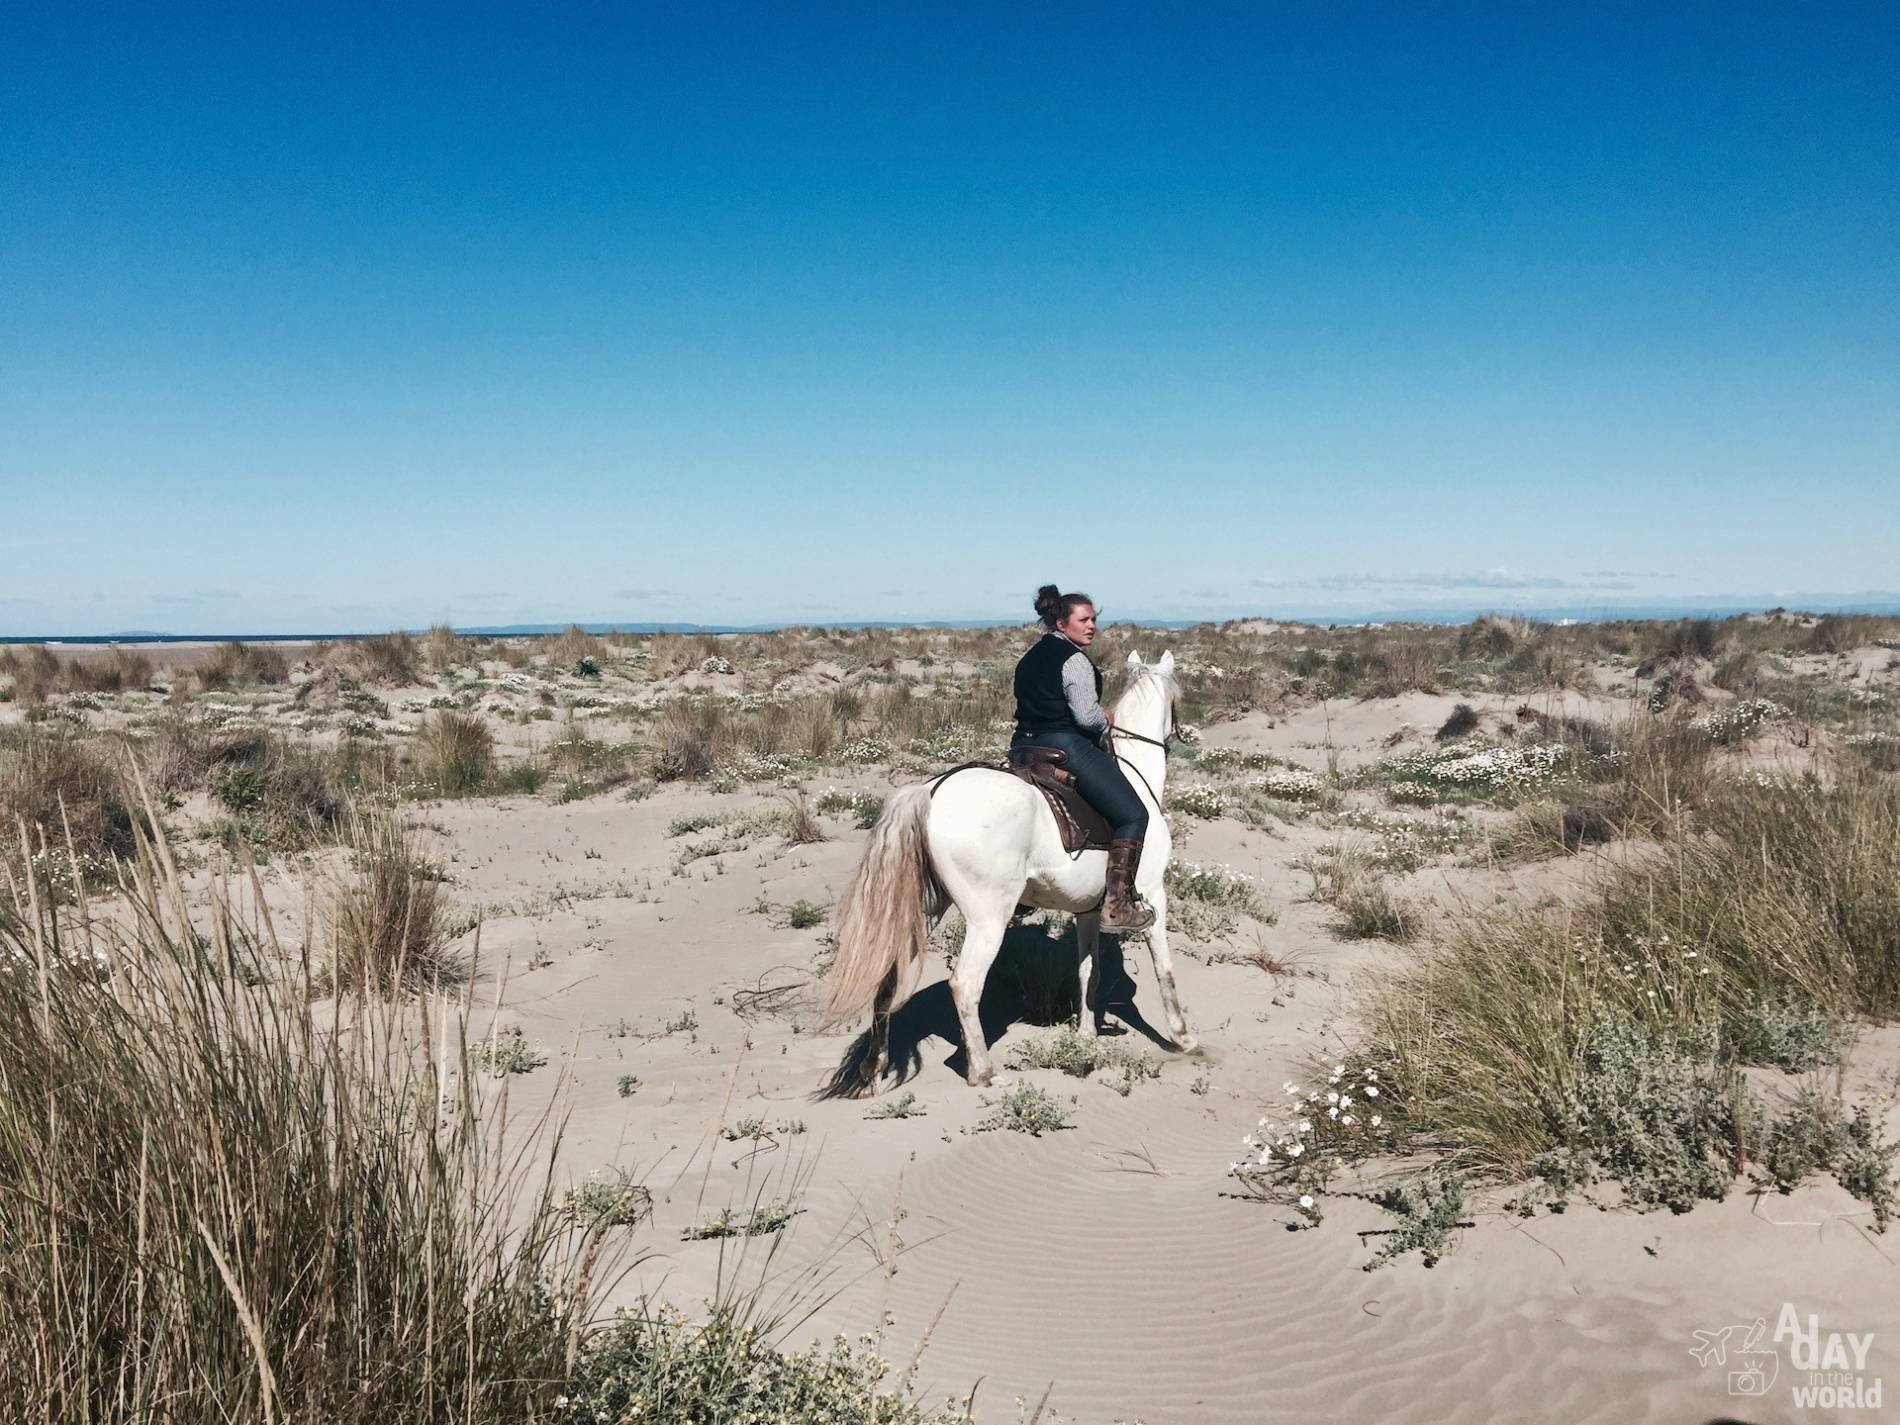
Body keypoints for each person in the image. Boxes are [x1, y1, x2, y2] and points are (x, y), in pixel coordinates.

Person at [1010, 584, 1155, 931]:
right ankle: (1118, 907)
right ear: (1061, 623)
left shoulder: (1028, 658)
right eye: (1084, 619)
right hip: (1066, 746)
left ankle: (1018, 897)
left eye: (1094, 619)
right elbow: (1086, 717)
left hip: (1022, 748)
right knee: (1134, 815)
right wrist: (1105, 716)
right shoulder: (1074, 660)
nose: (1091, 626)